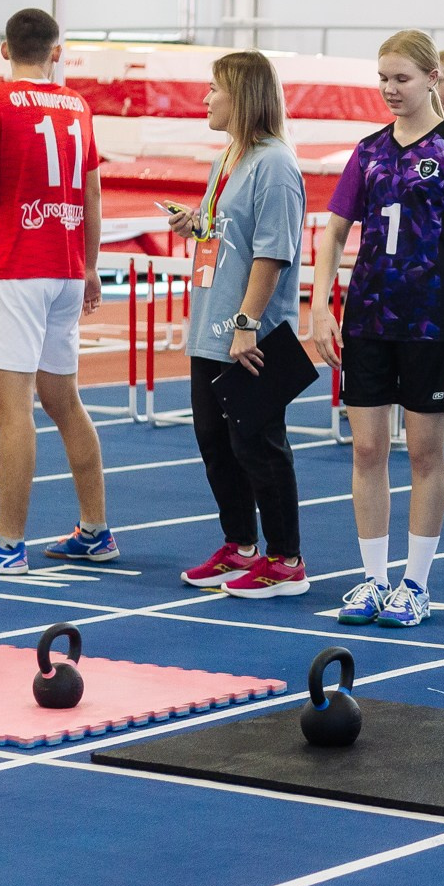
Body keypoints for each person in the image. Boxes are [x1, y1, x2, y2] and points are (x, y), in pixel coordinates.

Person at [313, 29, 444, 628]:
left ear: (432, 78)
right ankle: (372, 578)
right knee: (366, 449)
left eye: (401, 78)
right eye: (383, 78)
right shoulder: (367, 151)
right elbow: (334, 231)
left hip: (431, 323)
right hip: (368, 318)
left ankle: (415, 583)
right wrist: (320, 305)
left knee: (423, 452)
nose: (389, 89)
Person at [0, 8, 116, 575]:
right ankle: (95, 529)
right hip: (66, 267)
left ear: (4, 49)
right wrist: (90, 266)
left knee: (11, 411)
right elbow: (92, 194)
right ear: (56, 52)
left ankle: (8, 543)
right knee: (64, 401)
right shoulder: (78, 107)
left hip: (20, 269)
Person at [175, 51, 312, 597]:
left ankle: (286, 559)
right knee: (215, 442)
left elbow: (273, 252)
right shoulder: (229, 157)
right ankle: (241, 546)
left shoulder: (274, 165)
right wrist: (197, 224)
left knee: (258, 445)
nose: (205, 98)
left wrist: (247, 323)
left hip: (249, 331)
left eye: (215, 88)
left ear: (244, 96)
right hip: (212, 326)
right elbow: (228, 230)